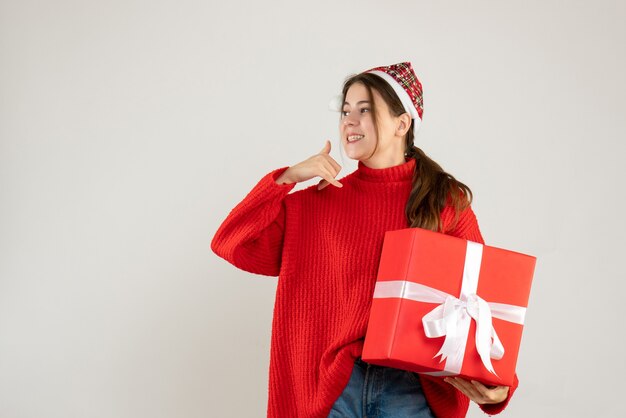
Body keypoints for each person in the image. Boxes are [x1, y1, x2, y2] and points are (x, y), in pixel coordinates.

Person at [211, 61, 518, 417]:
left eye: (365, 111)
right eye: (345, 112)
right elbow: (231, 244)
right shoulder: (316, 203)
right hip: (332, 391)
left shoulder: (444, 200)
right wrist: (288, 177)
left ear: (402, 123)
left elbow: (483, 305)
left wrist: (500, 387)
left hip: (414, 391)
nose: (349, 122)